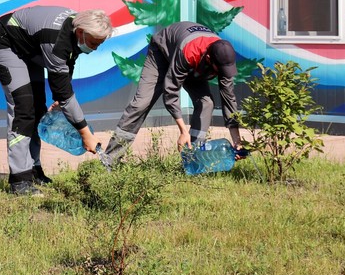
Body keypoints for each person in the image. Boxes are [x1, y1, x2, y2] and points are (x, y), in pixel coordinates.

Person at [0, 6, 113, 195]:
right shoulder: (57, 41)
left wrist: (58, 100)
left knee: (38, 109)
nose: (94, 48)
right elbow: (65, 93)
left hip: (31, 48)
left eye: (99, 44)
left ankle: (34, 170)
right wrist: (86, 134)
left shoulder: (76, 31)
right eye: (94, 43)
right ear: (81, 32)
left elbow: (65, 67)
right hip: (6, 43)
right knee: (23, 109)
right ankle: (19, 180)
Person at [99, 21, 244, 169]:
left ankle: (193, 159)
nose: (222, 73)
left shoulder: (223, 58)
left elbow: (229, 99)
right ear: (209, 59)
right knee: (141, 103)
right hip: (161, 53)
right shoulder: (190, 52)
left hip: (192, 63)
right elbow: (171, 91)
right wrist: (182, 131)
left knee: (206, 103)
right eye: (219, 69)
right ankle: (110, 160)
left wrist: (237, 141)